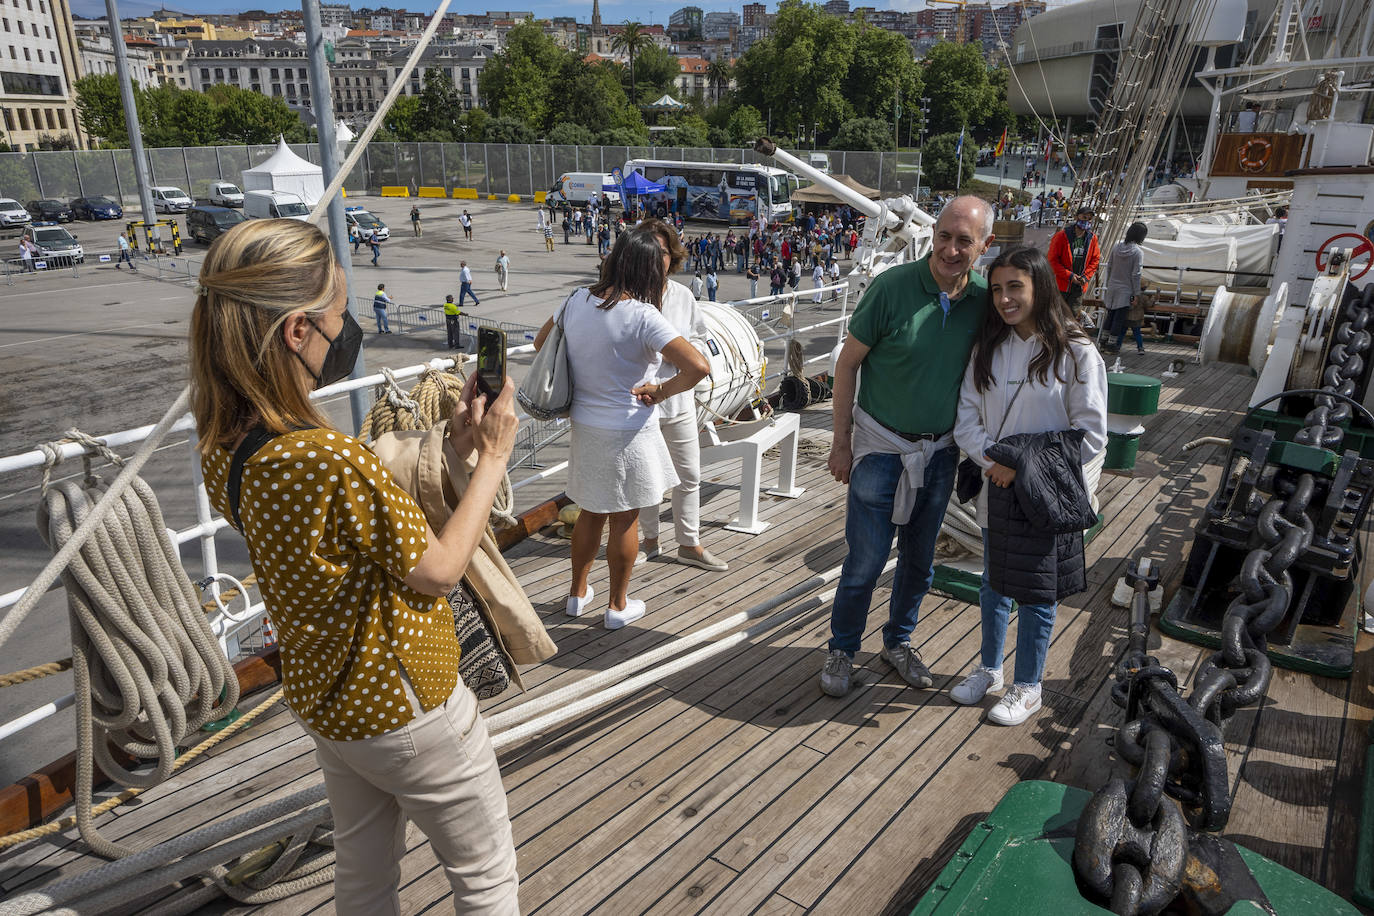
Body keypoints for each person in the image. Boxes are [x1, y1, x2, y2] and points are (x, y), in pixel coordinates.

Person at [187, 218, 521, 914]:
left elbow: (342, 538)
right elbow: (437, 572)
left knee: (364, 875)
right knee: (486, 879)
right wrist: (491, 457)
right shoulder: (326, 457)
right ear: (296, 332)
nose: (346, 333)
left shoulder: (226, 444)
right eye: (338, 316)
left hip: (330, 704)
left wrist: (452, 449)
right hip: (406, 702)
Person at [820, 196, 995, 699]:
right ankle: (843, 647)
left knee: (919, 561)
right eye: (945, 236)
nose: (952, 249)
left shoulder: (984, 301)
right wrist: (841, 441)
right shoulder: (891, 289)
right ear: (932, 235)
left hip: (940, 455)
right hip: (880, 449)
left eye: (966, 241)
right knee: (866, 560)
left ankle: (898, 642)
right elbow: (847, 364)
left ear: (983, 247)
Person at [951, 245, 1106, 725]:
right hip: (998, 486)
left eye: (1015, 286)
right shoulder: (988, 349)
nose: (1003, 298)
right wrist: (995, 460)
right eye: (996, 289)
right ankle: (990, 670)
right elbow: (967, 418)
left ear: (1040, 285)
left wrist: (1022, 466)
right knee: (995, 584)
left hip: (1047, 493)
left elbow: (1093, 433)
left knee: (1039, 592)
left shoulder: (1077, 351)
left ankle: (1029, 685)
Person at [532, 229, 710, 629]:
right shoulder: (644, 316)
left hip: (585, 425)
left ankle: (577, 595)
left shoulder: (576, 300)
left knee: (590, 512)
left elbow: (541, 343)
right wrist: (660, 391)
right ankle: (617, 606)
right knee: (624, 519)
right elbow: (698, 366)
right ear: (649, 271)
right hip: (629, 430)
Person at [635, 219, 729, 573]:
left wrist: (682, 353)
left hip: (677, 400)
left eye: (663, 252)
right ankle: (649, 540)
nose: (657, 258)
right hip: (642, 405)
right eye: (651, 250)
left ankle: (689, 543)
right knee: (646, 481)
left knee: (689, 475)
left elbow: (703, 341)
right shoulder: (628, 298)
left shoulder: (683, 297)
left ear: (672, 256)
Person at [1047, 206, 1101, 318]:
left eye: (1089, 219)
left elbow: (1095, 260)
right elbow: (1052, 261)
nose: (1086, 221)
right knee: (1056, 315)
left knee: (1072, 316)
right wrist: (1069, 276)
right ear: (1076, 217)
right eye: (1084, 217)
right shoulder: (1062, 236)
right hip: (1061, 285)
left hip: (1079, 286)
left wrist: (1085, 277)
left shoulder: (1092, 238)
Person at [1102, 221, 1148, 354]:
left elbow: (1109, 266)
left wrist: (1110, 283)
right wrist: (1136, 293)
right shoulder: (1137, 253)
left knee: (1110, 316)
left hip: (1112, 286)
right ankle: (1112, 346)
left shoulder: (1116, 247)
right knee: (1119, 319)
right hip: (1126, 289)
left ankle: (1103, 343)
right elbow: (1136, 274)